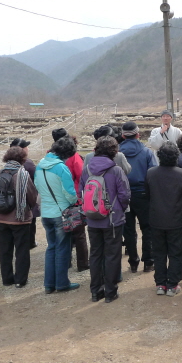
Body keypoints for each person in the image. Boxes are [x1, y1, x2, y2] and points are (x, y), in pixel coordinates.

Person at [80, 136, 131, 303]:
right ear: (114, 151)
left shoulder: (87, 169)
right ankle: (110, 292)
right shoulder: (115, 170)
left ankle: (95, 291)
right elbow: (124, 194)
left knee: (95, 254)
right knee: (112, 255)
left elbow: (82, 190)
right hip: (112, 220)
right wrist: (119, 210)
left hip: (92, 219)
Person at [146, 142, 182, 297]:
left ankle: (160, 284)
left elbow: (147, 195)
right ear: (176, 157)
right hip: (176, 219)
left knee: (159, 252)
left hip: (156, 219)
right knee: (176, 252)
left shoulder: (151, 173)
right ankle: (172, 284)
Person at [35, 137, 80, 294]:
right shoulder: (61, 168)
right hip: (60, 213)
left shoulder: (40, 165)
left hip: (45, 212)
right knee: (62, 248)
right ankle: (61, 283)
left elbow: (37, 187)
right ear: (66, 154)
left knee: (51, 248)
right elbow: (69, 193)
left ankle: (49, 284)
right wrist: (74, 201)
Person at [0, 146, 39, 288]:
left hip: (1, 217)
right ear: (22, 159)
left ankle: (7, 279)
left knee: (5, 250)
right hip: (20, 218)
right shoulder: (22, 174)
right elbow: (32, 197)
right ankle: (20, 280)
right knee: (21, 250)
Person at [119, 121, 158, 272]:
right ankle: (148, 261)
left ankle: (133, 261)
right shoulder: (147, 152)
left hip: (123, 195)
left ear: (123, 136)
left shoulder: (116, 153)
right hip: (143, 194)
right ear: (138, 135)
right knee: (147, 228)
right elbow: (153, 174)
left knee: (128, 229)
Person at [49, 132, 89, 271]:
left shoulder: (50, 157)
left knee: (63, 231)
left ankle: (66, 262)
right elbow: (81, 175)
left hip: (56, 197)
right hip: (73, 197)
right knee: (79, 232)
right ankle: (83, 263)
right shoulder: (74, 157)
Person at [10, 138, 40, 250]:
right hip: (27, 196)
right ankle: (30, 242)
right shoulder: (27, 162)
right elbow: (35, 176)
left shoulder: (10, 162)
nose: (28, 148)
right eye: (26, 146)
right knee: (30, 220)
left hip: (14, 197)